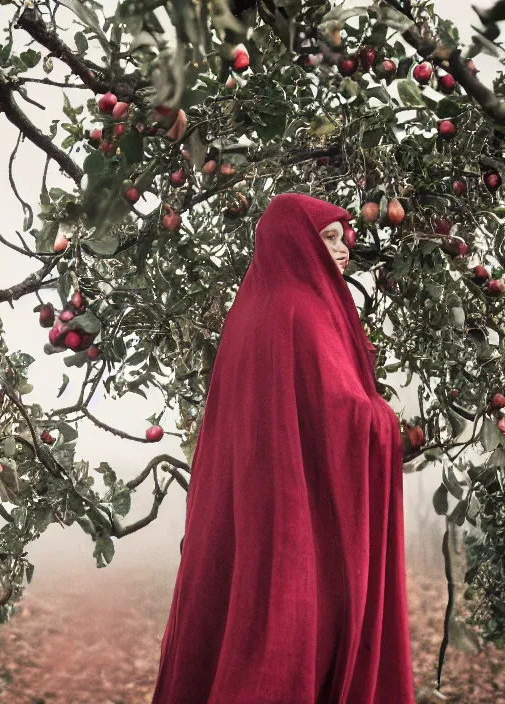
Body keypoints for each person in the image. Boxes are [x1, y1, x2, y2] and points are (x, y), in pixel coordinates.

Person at [151, 193, 415, 703]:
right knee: (288, 653)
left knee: (237, 631)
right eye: (329, 238)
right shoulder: (304, 313)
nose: (344, 251)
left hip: (250, 516)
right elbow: (346, 415)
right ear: (297, 242)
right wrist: (383, 419)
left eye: (344, 237)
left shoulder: (251, 310)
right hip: (295, 531)